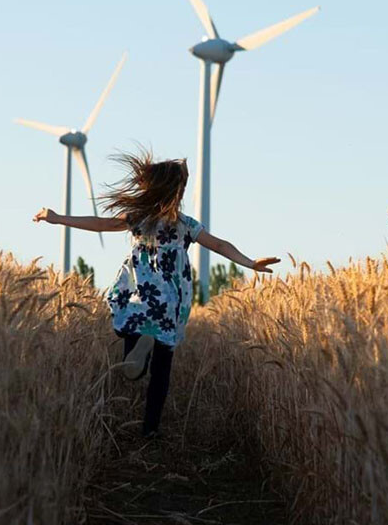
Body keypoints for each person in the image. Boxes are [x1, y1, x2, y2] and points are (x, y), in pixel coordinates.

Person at [33, 150, 278, 437]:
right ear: (178, 192)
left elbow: (100, 223)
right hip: (170, 297)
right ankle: (150, 428)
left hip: (140, 288)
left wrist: (58, 218)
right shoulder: (186, 224)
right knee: (163, 367)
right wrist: (249, 262)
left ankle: (136, 353)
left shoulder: (138, 217)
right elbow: (220, 245)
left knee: (130, 334)